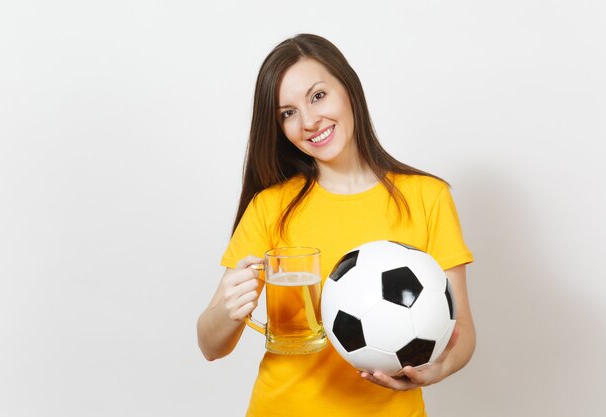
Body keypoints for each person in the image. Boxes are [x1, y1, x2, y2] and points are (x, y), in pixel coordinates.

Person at [197, 33, 476, 416]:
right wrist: (228, 309)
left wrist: (438, 368)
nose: (309, 121)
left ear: (348, 88)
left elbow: (462, 332)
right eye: (287, 113)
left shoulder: (428, 197)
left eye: (317, 96)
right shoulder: (270, 206)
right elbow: (210, 345)